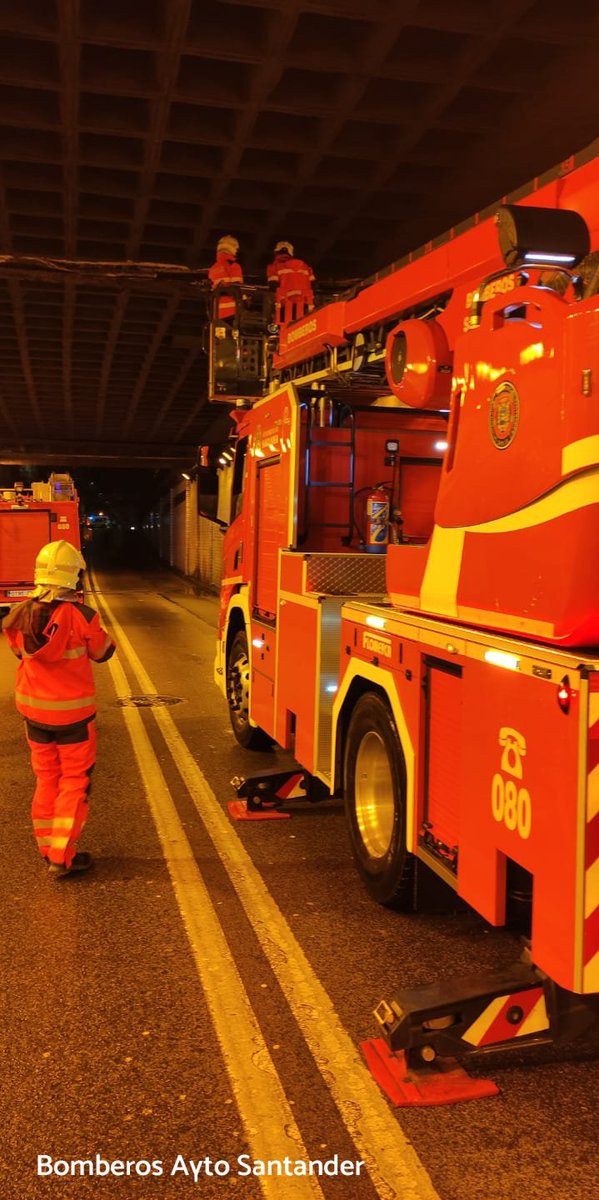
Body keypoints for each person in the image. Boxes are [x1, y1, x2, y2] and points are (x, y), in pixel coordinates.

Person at [2, 540, 116, 879]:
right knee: (74, 782)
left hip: (34, 715)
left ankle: (46, 845)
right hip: (74, 719)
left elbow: (19, 653)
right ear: (74, 578)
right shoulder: (82, 616)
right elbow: (103, 652)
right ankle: (61, 855)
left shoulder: (19, 614)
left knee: (46, 778)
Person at [266, 241, 315, 325]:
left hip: (285, 306)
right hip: (305, 305)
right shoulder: (304, 265)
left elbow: (272, 286)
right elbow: (314, 284)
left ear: (276, 252)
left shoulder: (274, 267)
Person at [208, 235, 243, 319]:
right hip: (233, 311)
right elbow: (237, 288)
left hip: (218, 313)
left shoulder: (213, 268)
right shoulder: (234, 266)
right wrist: (245, 300)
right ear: (232, 248)